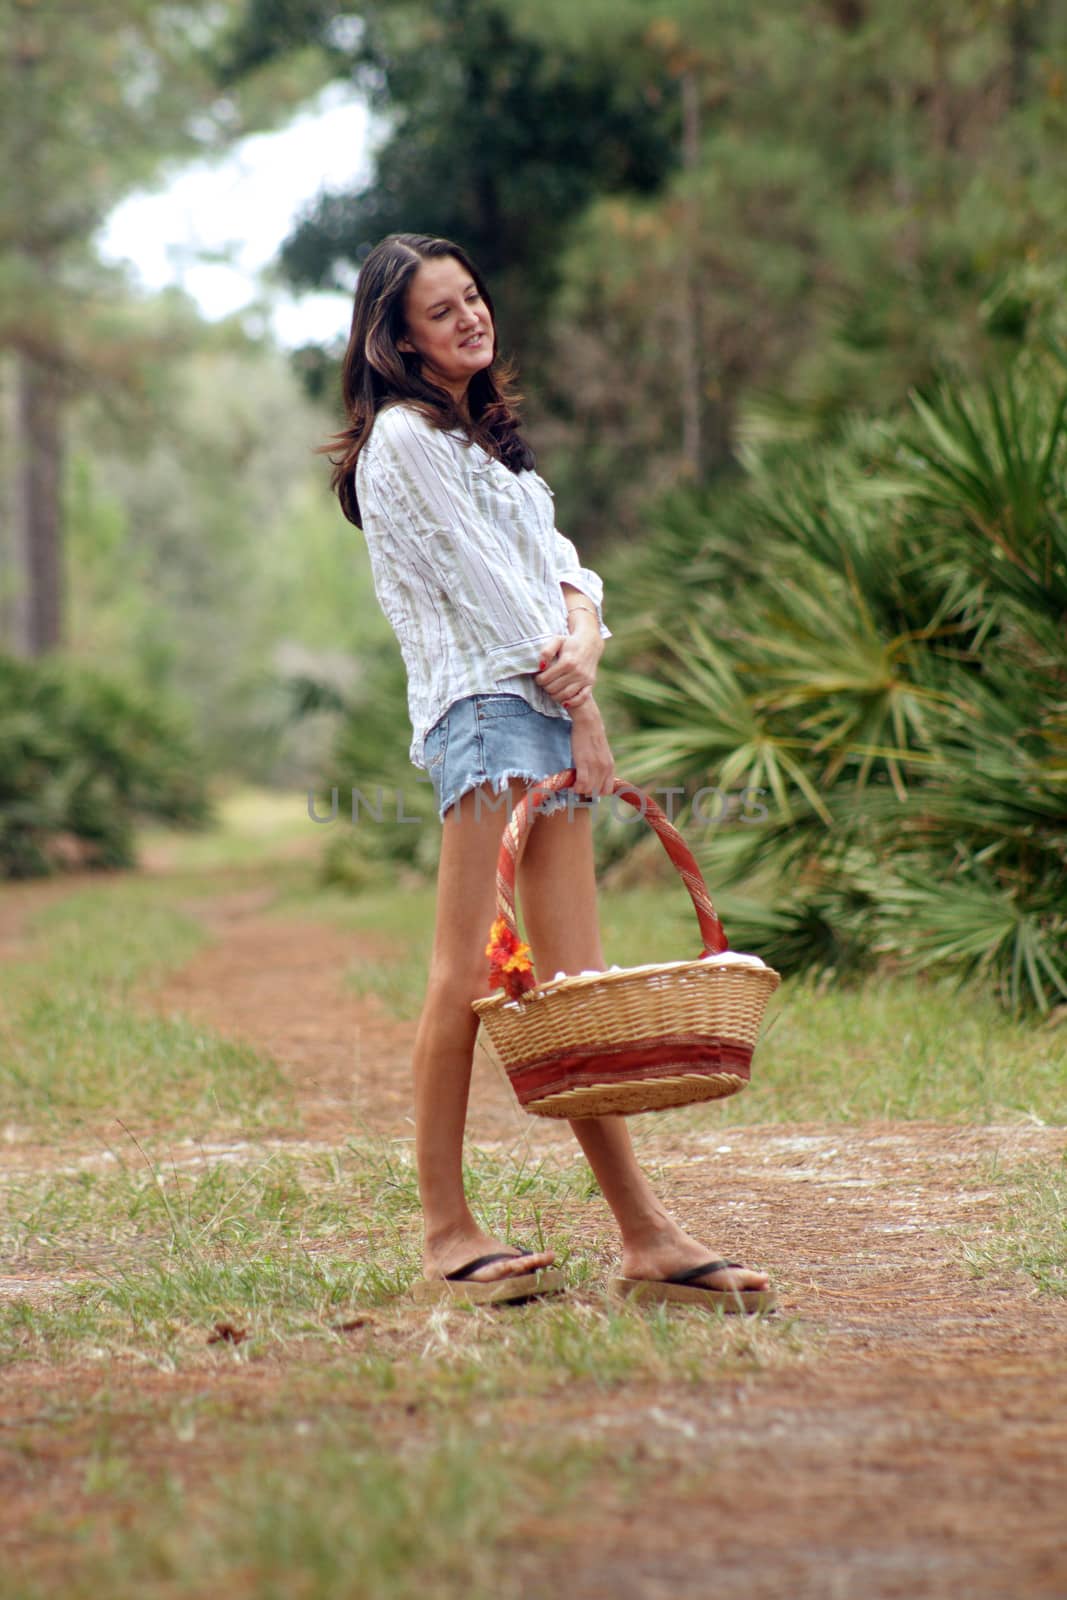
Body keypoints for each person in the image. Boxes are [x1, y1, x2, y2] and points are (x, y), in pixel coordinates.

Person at [324, 232, 774, 1313]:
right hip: (490, 716)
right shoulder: (402, 443)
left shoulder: (484, 447)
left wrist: (583, 631)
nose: (469, 318)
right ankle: (442, 1229)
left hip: (544, 707)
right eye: (441, 311)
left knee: (569, 993)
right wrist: (584, 697)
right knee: (467, 974)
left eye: (473, 297)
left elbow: (565, 569)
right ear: (394, 339)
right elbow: (494, 599)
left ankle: (643, 1235)